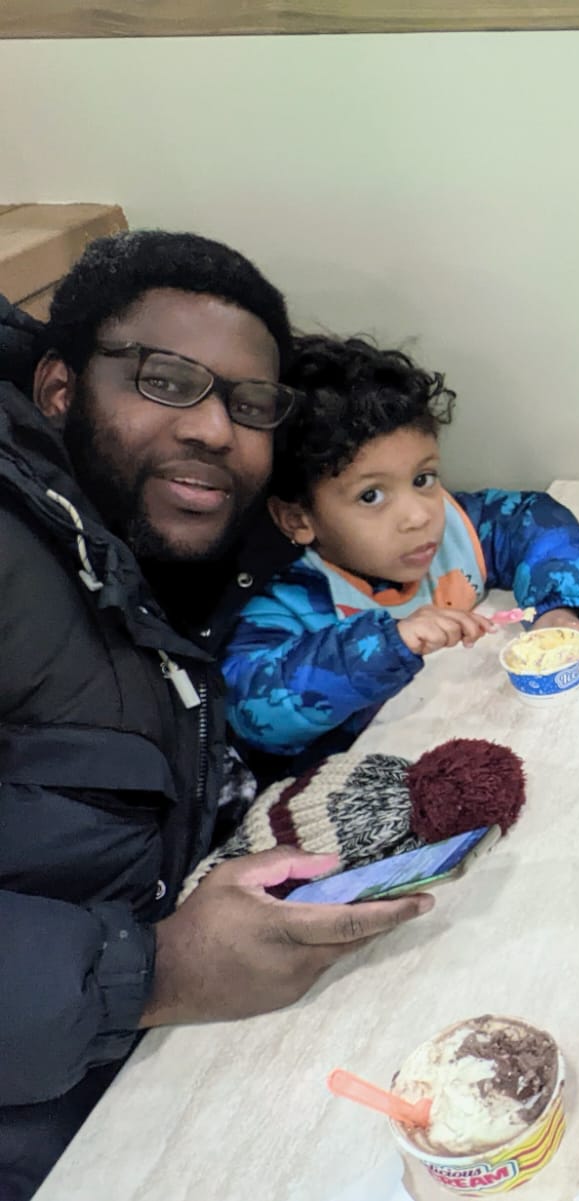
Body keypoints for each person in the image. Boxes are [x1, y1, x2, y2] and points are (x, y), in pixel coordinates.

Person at [0, 234, 432, 1200]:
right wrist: (155, 971)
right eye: (167, 380)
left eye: (249, 405)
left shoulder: (158, 533)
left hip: (175, 1042)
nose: (214, 430)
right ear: (60, 388)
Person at [222, 333, 579, 771]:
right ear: (298, 519)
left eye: (423, 479)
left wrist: (559, 612)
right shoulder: (285, 599)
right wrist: (389, 643)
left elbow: (534, 521)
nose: (418, 516)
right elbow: (251, 708)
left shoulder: (454, 525)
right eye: (371, 496)